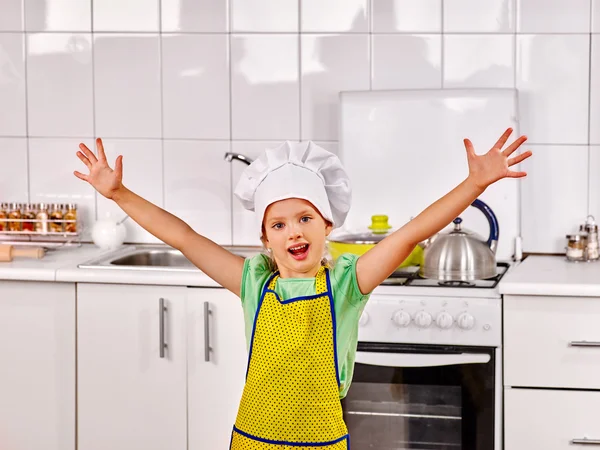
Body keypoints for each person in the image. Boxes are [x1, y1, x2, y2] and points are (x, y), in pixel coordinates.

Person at [74, 128, 532, 449]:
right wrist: (119, 195)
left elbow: (410, 233)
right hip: (255, 442)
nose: (294, 232)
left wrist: (474, 183)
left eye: (305, 218)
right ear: (265, 239)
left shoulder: (348, 284)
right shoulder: (253, 282)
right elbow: (186, 238)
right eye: (279, 223)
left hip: (322, 443)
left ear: (327, 224)